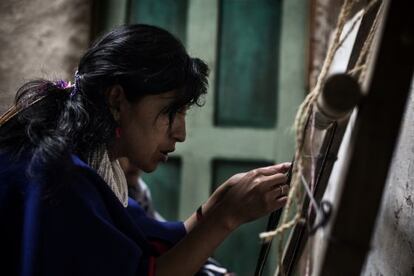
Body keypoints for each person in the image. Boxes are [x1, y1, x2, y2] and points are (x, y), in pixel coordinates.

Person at [0, 24, 291, 276]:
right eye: (170, 111)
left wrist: (219, 204)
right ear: (117, 101)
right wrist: (227, 217)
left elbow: (150, 244)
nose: (181, 133)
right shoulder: (58, 180)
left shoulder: (95, 173)